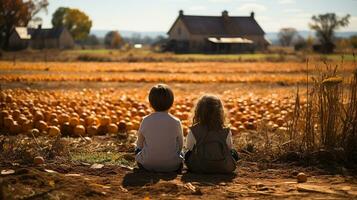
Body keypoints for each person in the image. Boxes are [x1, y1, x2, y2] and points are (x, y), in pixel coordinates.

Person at [135, 84, 183, 172]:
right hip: (172, 166)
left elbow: (139, 145)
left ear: (150, 103)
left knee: (137, 150)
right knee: (182, 153)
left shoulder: (145, 120)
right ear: (171, 103)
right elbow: (180, 146)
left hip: (147, 165)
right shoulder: (176, 121)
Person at [185, 94, 238, 174]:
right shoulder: (225, 130)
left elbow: (189, 147)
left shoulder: (194, 130)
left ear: (198, 111)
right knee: (234, 152)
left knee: (187, 153)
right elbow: (229, 147)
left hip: (199, 166)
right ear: (220, 112)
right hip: (222, 165)